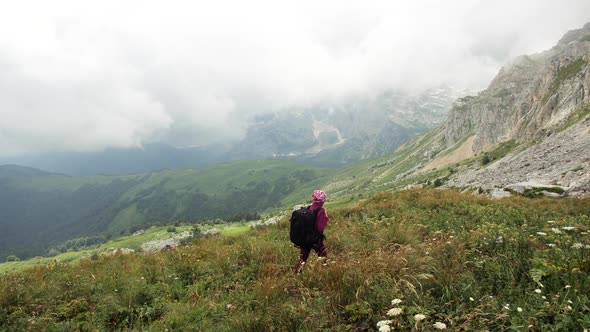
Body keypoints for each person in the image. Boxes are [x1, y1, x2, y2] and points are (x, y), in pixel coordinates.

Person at [294, 190, 330, 274]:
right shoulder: (321, 210)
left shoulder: (308, 208)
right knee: (323, 256)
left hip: (305, 238)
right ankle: (326, 273)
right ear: (322, 200)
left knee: (302, 259)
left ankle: (296, 273)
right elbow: (319, 228)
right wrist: (326, 218)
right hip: (315, 239)